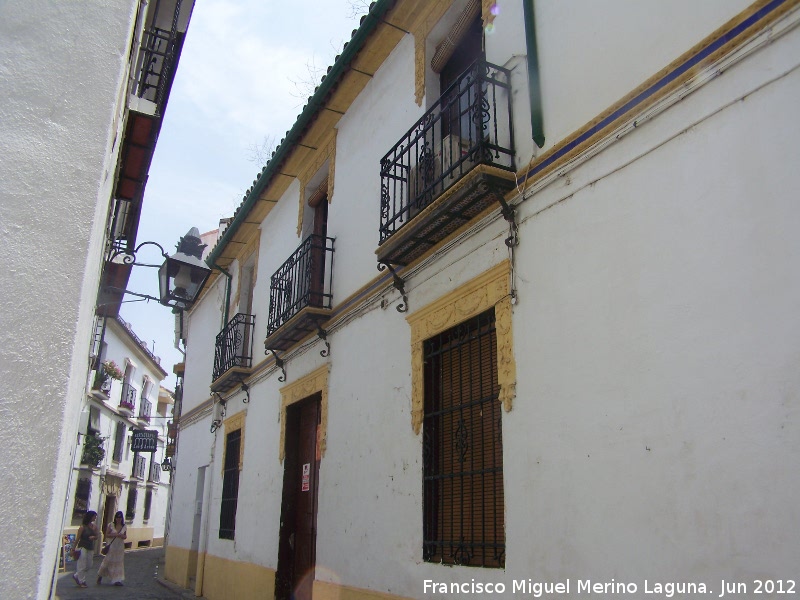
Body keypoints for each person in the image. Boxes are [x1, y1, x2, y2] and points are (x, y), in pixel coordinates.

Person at [96, 511, 127, 586]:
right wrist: (115, 534)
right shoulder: (111, 525)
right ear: (115, 518)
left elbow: (125, 536)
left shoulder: (124, 526)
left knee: (118, 563)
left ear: (121, 518)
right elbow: (107, 535)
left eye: (120, 517)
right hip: (112, 546)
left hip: (119, 547)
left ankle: (117, 579)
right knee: (108, 561)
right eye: (117, 517)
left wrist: (122, 536)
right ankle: (100, 575)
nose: (118, 519)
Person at [73, 511, 98, 588]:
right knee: (82, 565)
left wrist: (94, 537)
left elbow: (97, 536)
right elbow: (77, 539)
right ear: (90, 517)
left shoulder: (94, 526)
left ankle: (77, 575)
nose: (95, 518)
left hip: (90, 547)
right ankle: (82, 581)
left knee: (89, 565)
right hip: (82, 546)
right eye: (94, 516)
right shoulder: (82, 527)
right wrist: (73, 548)